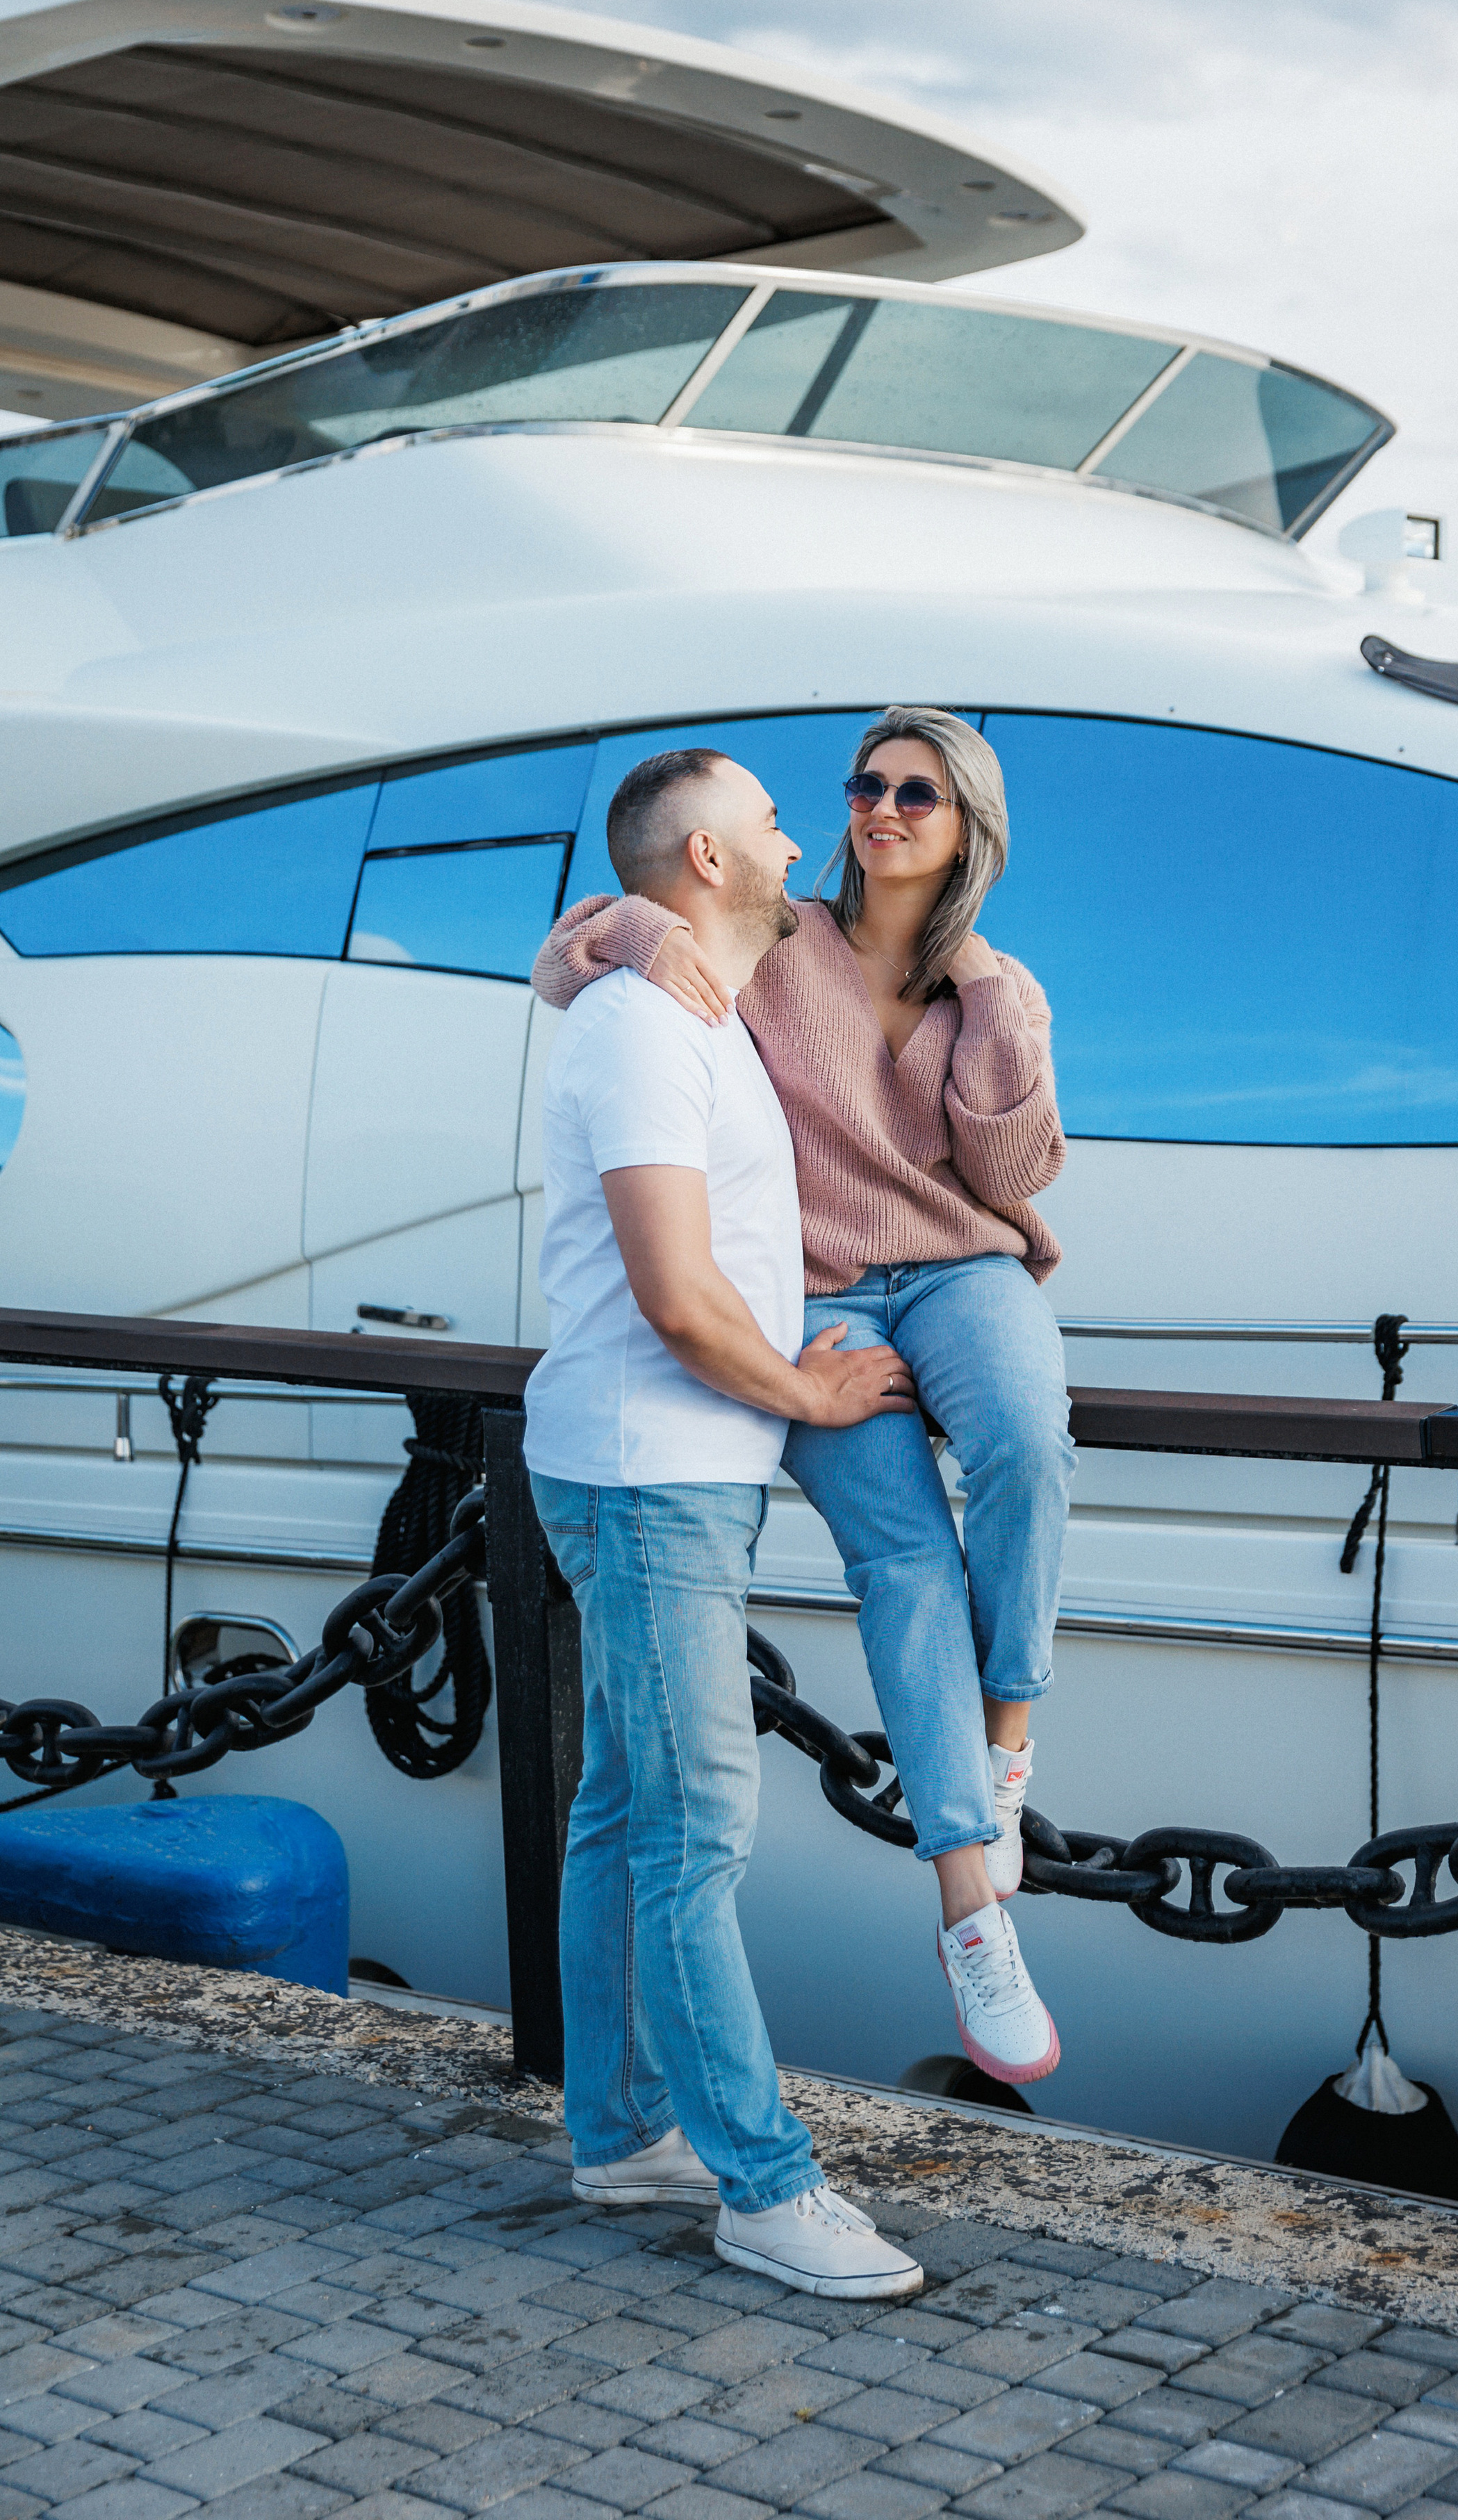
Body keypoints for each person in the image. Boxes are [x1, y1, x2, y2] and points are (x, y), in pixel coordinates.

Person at [533, 707, 1073, 2091]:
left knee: (1023, 1443)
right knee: (899, 1555)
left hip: (960, 1270)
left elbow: (1016, 1171)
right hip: (822, 1296)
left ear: (967, 831)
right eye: (864, 786)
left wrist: (991, 996)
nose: (880, 809)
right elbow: (573, 948)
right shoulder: (779, 935)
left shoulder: (994, 985)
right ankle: (970, 1913)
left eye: (917, 794)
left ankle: (1006, 1739)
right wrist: (645, 935)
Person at [524, 742, 926, 2299]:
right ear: (705, 861)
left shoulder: (689, 993)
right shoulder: (645, 1024)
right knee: (695, 1826)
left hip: (668, 1468)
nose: (798, 834)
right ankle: (763, 2186)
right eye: (768, 819)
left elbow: (579, 935)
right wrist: (808, 1397)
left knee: (626, 1809)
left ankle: (623, 2134)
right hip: (649, 1469)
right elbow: (677, 1296)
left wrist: (599, 928)